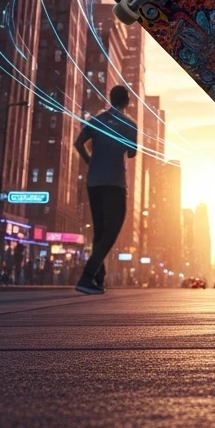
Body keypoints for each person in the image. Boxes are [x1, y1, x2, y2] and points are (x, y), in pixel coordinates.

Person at [73, 84, 137, 295]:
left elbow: (78, 143)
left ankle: (98, 280)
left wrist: (90, 161)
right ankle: (87, 275)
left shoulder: (97, 120)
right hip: (115, 182)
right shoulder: (129, 124)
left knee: (99, 230)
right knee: (113, 229)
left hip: (94, 182)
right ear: (127, 102)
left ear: (110, 99)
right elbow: (131, 153)